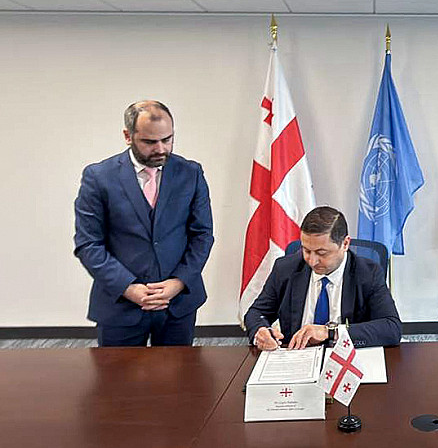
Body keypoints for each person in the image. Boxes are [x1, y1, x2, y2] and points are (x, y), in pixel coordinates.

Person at [74, 100, 213, 346]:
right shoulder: (98, 177)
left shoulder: (190, 173)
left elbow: (202, 235)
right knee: (118, 373)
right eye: (149, 142)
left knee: (180, 372)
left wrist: (178, 282)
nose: (160, 149)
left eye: (167, 139)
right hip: (120, 305)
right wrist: (128, 288)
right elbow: (88, 244)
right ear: (128, 136)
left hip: (177, 304)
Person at [245, 206, 402, 350]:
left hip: (346, 358)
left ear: (345, 244)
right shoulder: (285, 268)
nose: (312, 261)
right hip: (298, 355)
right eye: (306, 250)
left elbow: (391, 328)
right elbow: (256, 312)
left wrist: (330, 332)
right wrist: (261, 330)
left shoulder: (368, 273)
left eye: (321, 253)